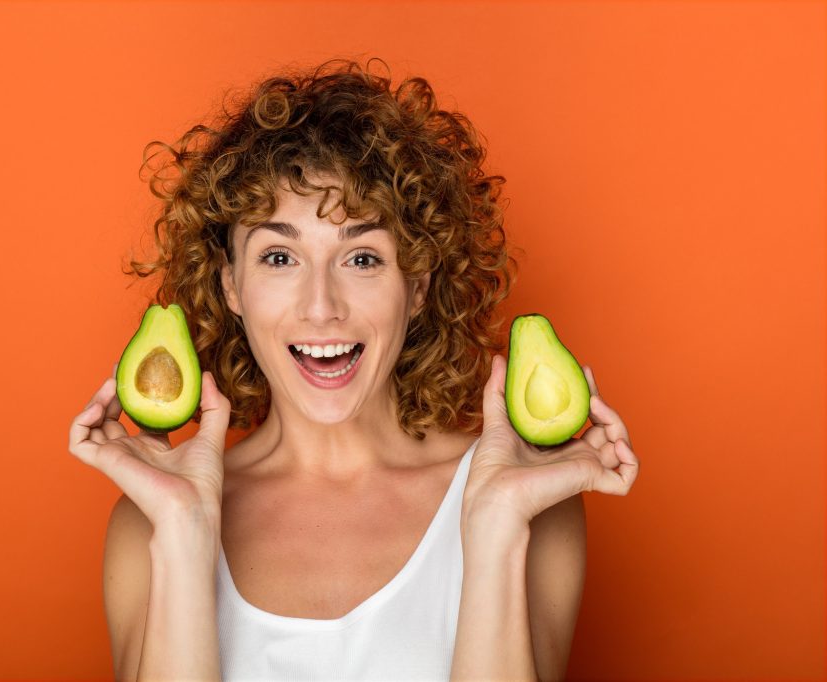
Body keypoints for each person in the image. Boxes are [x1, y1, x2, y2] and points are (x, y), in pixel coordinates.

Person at [68, 57, 639, 682]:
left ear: (417, 285)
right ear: (231, 285)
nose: (322, 307)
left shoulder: (531, 504)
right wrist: (182, 528)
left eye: (362, 258)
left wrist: (498, 528)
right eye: (280, 256)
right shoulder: (152, 517)